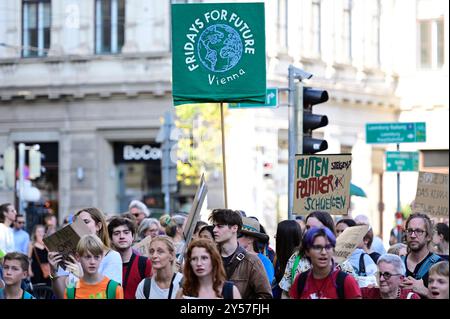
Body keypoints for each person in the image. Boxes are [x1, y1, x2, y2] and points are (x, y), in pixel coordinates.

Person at [48, 207, 123, 299]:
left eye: (86, 222)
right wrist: (53, 272)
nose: (81, 226)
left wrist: (82, 277)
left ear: (98, 226)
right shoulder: (71, 255)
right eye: (77, 224)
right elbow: (63, 295)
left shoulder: (112, 256)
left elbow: (107, 294)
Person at [279, 211, 356, 298]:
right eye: (308, 227)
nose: (309, 231)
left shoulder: (341, 261)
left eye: (315, 228)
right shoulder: (295, 258)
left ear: (327, 230)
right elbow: (286, 293)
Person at [209, 208, 272, 299]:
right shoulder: (208, 258)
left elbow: (266, 296)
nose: (214, 230)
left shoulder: (252, 261)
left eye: (220, 226)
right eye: (214, 226)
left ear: (234, 228)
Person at [289, 227, 361, 299]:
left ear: (333, 250)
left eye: (328, 247)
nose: (323, 252)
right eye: (317, 247)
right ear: (307, 251)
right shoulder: (300, 280)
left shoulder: (346, 281)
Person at [176, 238, 241, 299]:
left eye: (204, 258)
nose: (199, 263)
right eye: (194, 259)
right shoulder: (183, 293)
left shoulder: (230, 291)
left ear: (214, 260)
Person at [64, 234, 124, 299]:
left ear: (102, 257)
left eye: (96, 257)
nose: (92, 262)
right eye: (87, 257)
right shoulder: (70, 291)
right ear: (78, 257)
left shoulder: (114, 289)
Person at [108, 216, 152, 299]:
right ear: (111, 239)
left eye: (126, 232)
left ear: (133, 237)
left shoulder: (145, 263)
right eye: (116, 233)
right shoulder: (106, 264)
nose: (122, 236)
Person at [401, 213, 444, 297]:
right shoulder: (398, 263)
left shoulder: (440, 265)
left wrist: (424, 290)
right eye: (410, 231)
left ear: (428, 236)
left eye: (418, 231)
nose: (413, 235)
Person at [238, 217, 274, 286]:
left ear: (250, 239)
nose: (234, 238)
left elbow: (266, 289)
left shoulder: (264, 262)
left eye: (238, 235)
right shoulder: (234, 259)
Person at [272, 220, 302, 299]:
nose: (275, 237)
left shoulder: (300, 261)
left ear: (284, 238)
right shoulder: (277, 258)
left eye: (278, 234)